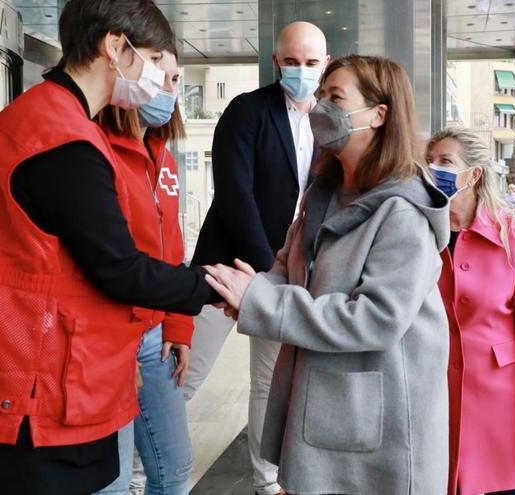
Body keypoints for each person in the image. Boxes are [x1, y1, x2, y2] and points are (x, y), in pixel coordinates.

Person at [0, 2, 215, 493]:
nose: (155, 78)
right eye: (152, 59)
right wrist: (215, 286)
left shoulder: (30, 119)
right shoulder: (64, 141)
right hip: (21, 396)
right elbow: (120, 271)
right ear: (115, 47)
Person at [204, 55, 450, 494]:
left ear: (379, 115)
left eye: (335, 97)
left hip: (376, 437)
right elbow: (288, 265)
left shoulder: (403, 212)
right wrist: (251, 291)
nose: (319, 107)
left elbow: (376, 318)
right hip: (320, 419)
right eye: (321, 95)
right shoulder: (323, 194)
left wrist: (260, 301)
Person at [185, 21, 328, 495]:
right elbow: (234, 196)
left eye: (311, 63)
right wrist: (267, 269)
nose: (301, 71)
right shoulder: (246, 111)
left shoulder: (330, 122)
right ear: (275, 62)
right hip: (227, 268)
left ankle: (267, 483)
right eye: (292, 62)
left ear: (324, 64)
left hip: (286, 278)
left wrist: (287, 277)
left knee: (268, 384)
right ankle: (139, 474)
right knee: (186, 372)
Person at [426, 127, 515, 495]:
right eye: (430, 162)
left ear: (474, 174)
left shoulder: (514, 236)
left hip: (501, 407)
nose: (434, 170)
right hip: (432, 400)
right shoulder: (417, 234)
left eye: (445, 162)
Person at [94, 46, 193, 495]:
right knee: (110, 482)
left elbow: (172, 248)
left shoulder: (165, 159)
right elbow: (99, 264)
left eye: (175, 81)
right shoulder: (99, 152)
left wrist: (179, 324)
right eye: (165, 79)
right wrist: (120, 346)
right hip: (113, 338)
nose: (171, 91)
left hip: (156, 337)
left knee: (173, 468)